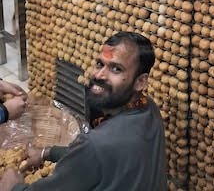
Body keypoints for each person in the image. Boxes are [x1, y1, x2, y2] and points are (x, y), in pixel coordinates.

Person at [0, 32, 167, 191]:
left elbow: (94, 153)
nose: (100, 75)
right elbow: (97, 157)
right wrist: (46, 152)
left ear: (140, 82)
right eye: (100, 64)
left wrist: (13, 186)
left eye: (116, 69)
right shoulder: (149, 108)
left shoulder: (96, 145)